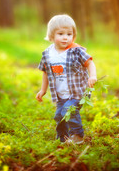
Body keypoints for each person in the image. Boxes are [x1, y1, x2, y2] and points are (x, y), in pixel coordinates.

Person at [36, 14, 97, 144]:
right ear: (52, 36)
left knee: (69, 110)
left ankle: (78, 136)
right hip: (61, 95)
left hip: (78, 92)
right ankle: (63, 138)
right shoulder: (47, 54)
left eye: (69, 34)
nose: (65, 37)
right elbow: (45, 73)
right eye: (61, 33)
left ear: (73, 36)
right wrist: (42, 90)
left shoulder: (76, 51)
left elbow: (90, 63)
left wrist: (93, 76)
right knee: (59, 116)